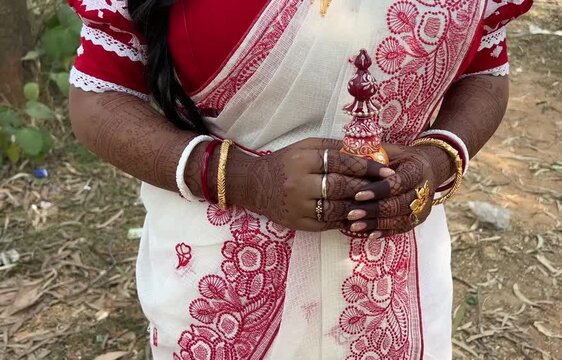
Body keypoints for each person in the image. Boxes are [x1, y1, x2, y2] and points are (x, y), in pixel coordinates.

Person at [67, 0, 532, 358]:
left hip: (398, 285)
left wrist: (437, 161)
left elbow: (485, 70)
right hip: (220, 283)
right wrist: (245, 178)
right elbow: (100, 96)